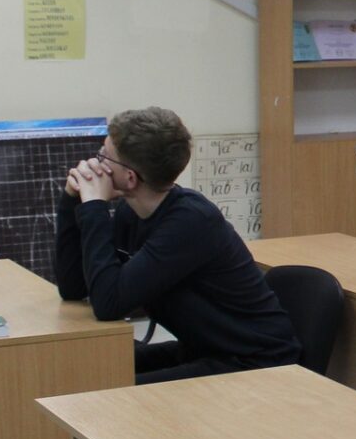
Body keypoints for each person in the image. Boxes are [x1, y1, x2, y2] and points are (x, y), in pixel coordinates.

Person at [55, 106, 300, 384]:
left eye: (104, 156)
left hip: (255, 362)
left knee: (109, 392)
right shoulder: (130, 214)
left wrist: (94, 208)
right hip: (203, 350)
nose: (96, 164)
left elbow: (108, 304)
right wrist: (72, 199)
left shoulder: (191, 222)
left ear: (130, 177)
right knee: (86, 371)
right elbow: (73, 288)